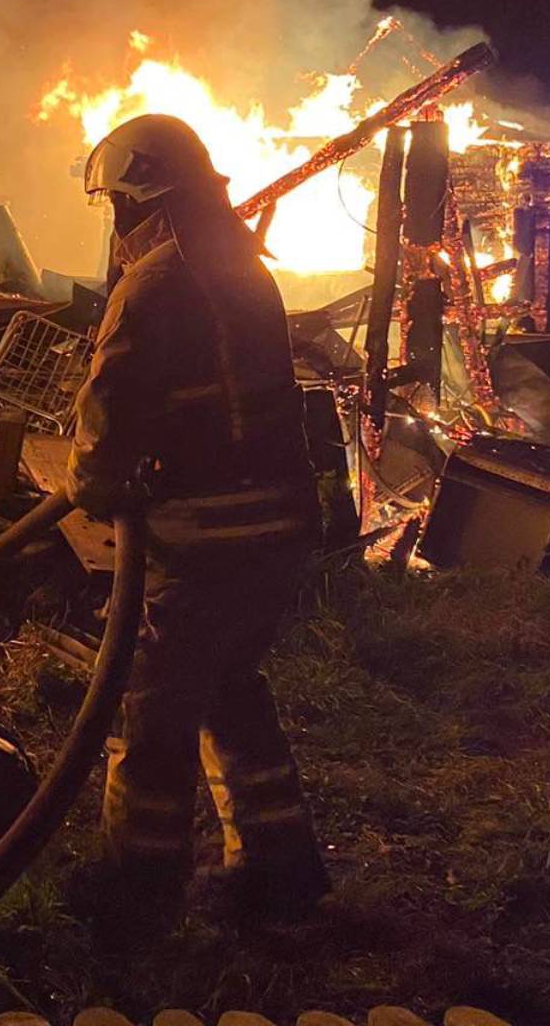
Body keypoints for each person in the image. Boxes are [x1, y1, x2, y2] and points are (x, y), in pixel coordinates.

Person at [69, 114, 330, 937]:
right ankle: (279, 866)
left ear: (140, 203)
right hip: (279, 531)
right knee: (231, 687)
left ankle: (138, 881)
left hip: (205, 539)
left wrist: (94, 485)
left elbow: (109, 412)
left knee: (154, 707)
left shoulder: (154, 283)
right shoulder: (247, 270)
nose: (116, 225)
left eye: (117, 204)